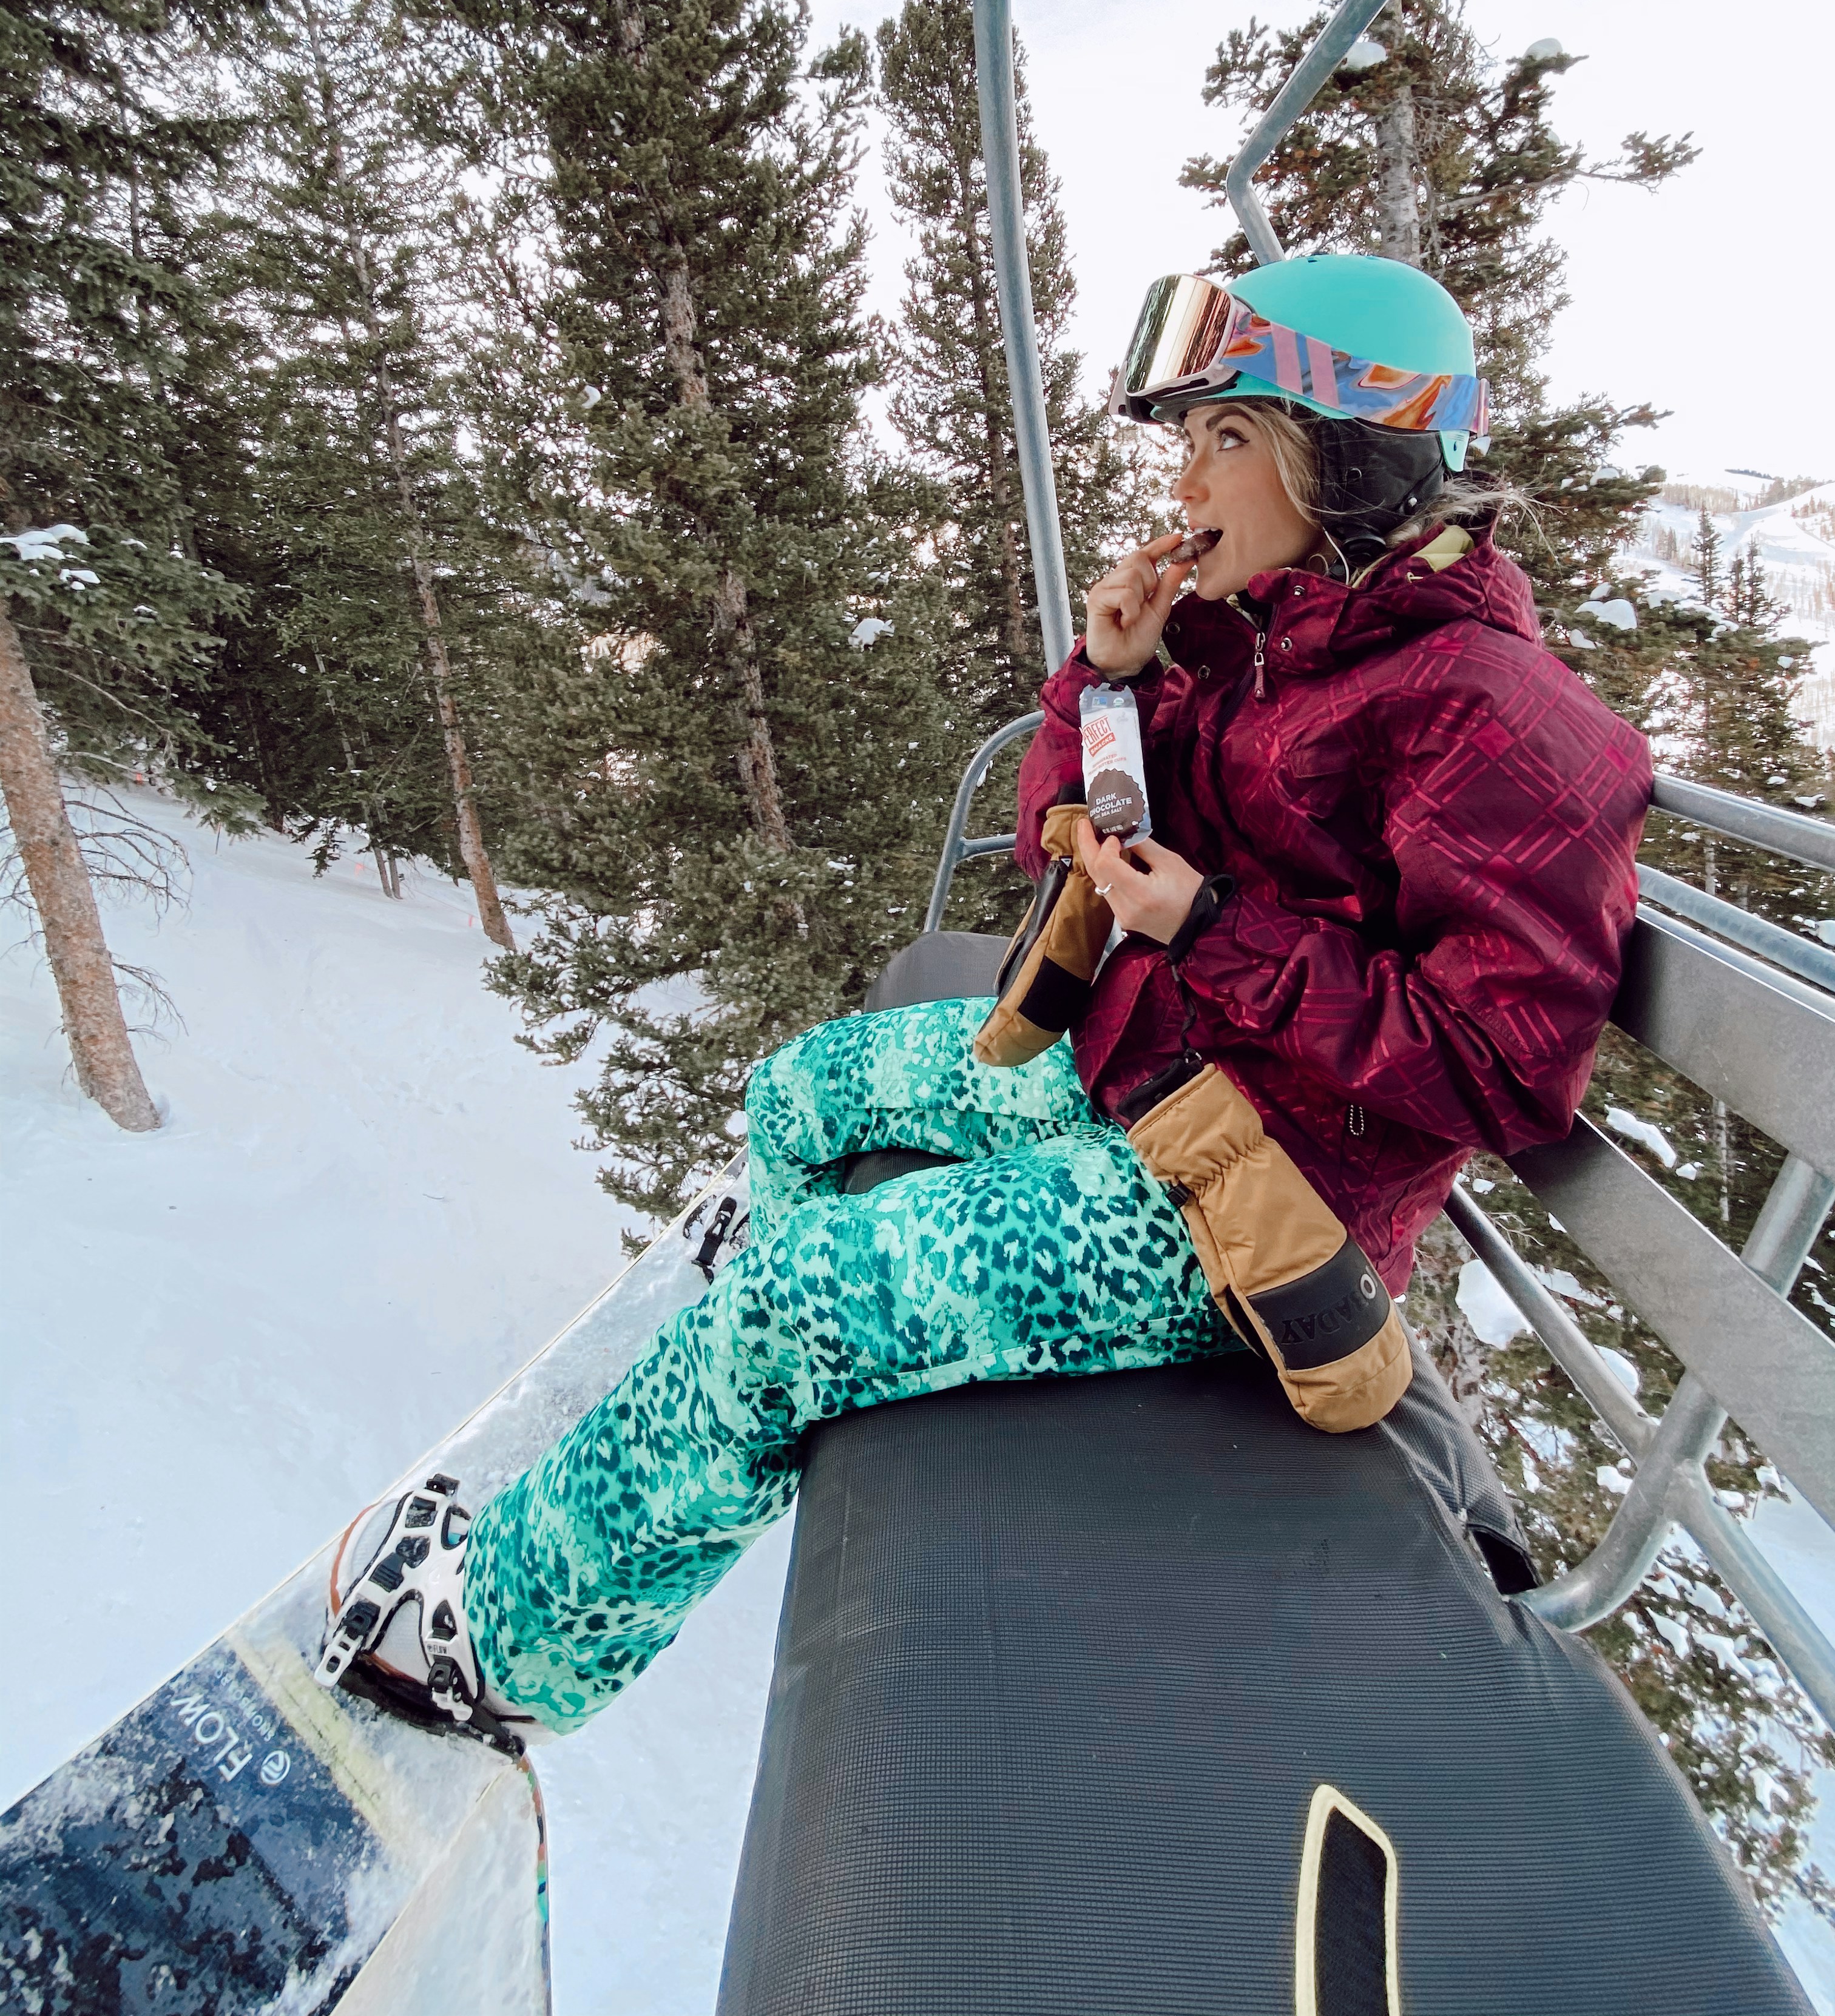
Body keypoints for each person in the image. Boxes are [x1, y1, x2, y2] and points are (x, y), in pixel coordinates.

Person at [316, 253, 1651, 1745]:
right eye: (1186, 440)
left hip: (1257, 1200)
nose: (1186, 479)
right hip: (1135, 1077)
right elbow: (1054, 827)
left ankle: (486, 1649)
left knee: (794, 1307)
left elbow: (1505, 1074)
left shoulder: (1506, 721)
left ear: (1345, 453)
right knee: (801, 1092)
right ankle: (732, 1393)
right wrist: (1109, 676)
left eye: (1225, 437)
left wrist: (1208, 923)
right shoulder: (1262, 636)